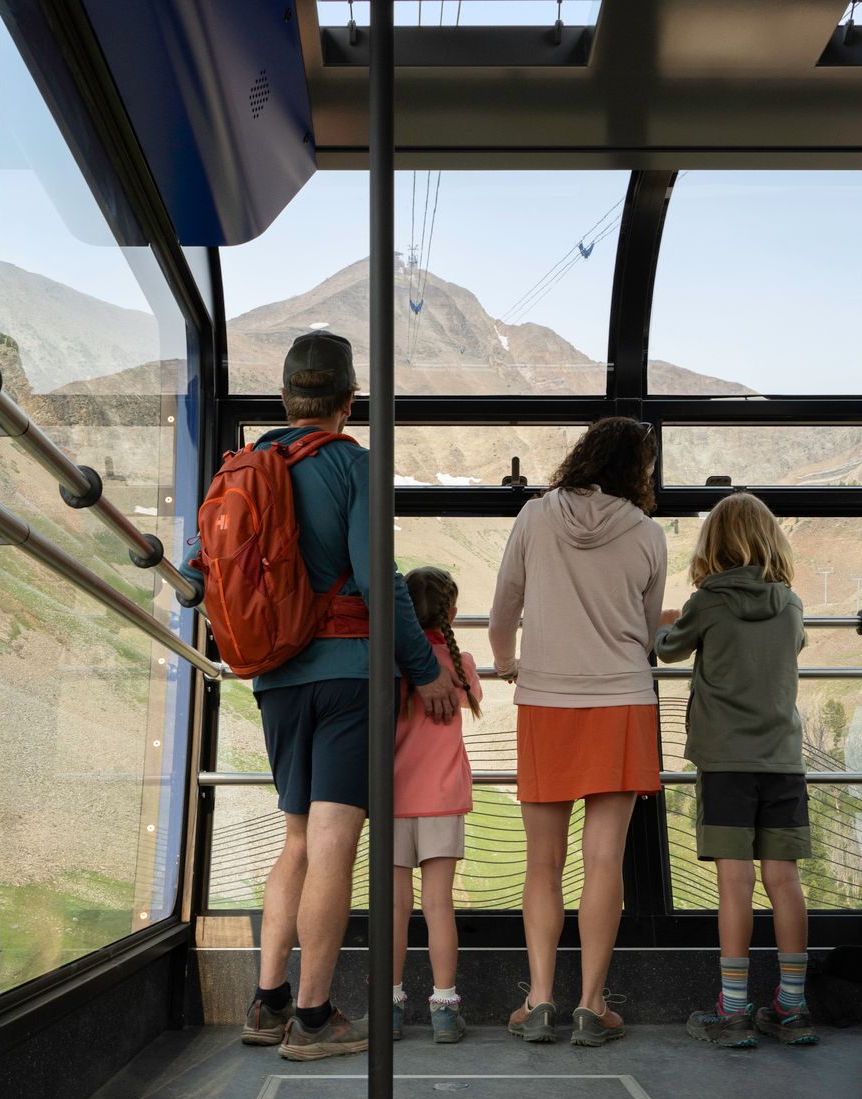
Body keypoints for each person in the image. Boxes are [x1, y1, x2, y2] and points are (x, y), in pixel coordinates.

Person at [187, 331, 459, 1060]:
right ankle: (313, 1019)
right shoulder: (351, 463)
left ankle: (267, 1001)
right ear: (347, 403)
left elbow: (203, 569)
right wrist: (425, 670)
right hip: (346, 675)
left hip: (275, 679)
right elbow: (379, 581)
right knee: (337, 840)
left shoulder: (242, 468)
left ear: (284, 399)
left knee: (299, 838)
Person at [487, 417, 665, 1048]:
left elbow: (504, 605)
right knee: (604, 858)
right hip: (622, 701)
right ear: (636, 470)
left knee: (543, 861)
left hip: (546, 700)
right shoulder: (647, 533)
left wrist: (508, 663)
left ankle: (538, 1001)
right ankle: (592, 1005)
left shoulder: (535, 517)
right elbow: (646, 630)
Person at [656, 492, 817, 1049]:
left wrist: (668, 622)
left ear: (713, 546)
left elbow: (668, 649)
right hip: (782, 760)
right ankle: (792, 1009)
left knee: (735, 884)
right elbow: (790, 645)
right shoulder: (791, 603)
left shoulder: (709, 601)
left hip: (726, 764)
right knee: (784, 881)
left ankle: (733, 1012)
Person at [391, 566, 481, 1045]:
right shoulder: (459, 661)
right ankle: (444, 1008)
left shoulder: (393, 659)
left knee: (395, 907)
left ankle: (391, 1006)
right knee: (438, 905)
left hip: (393, 799)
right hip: (443, 800)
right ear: (451, 612)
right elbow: (475, 698)